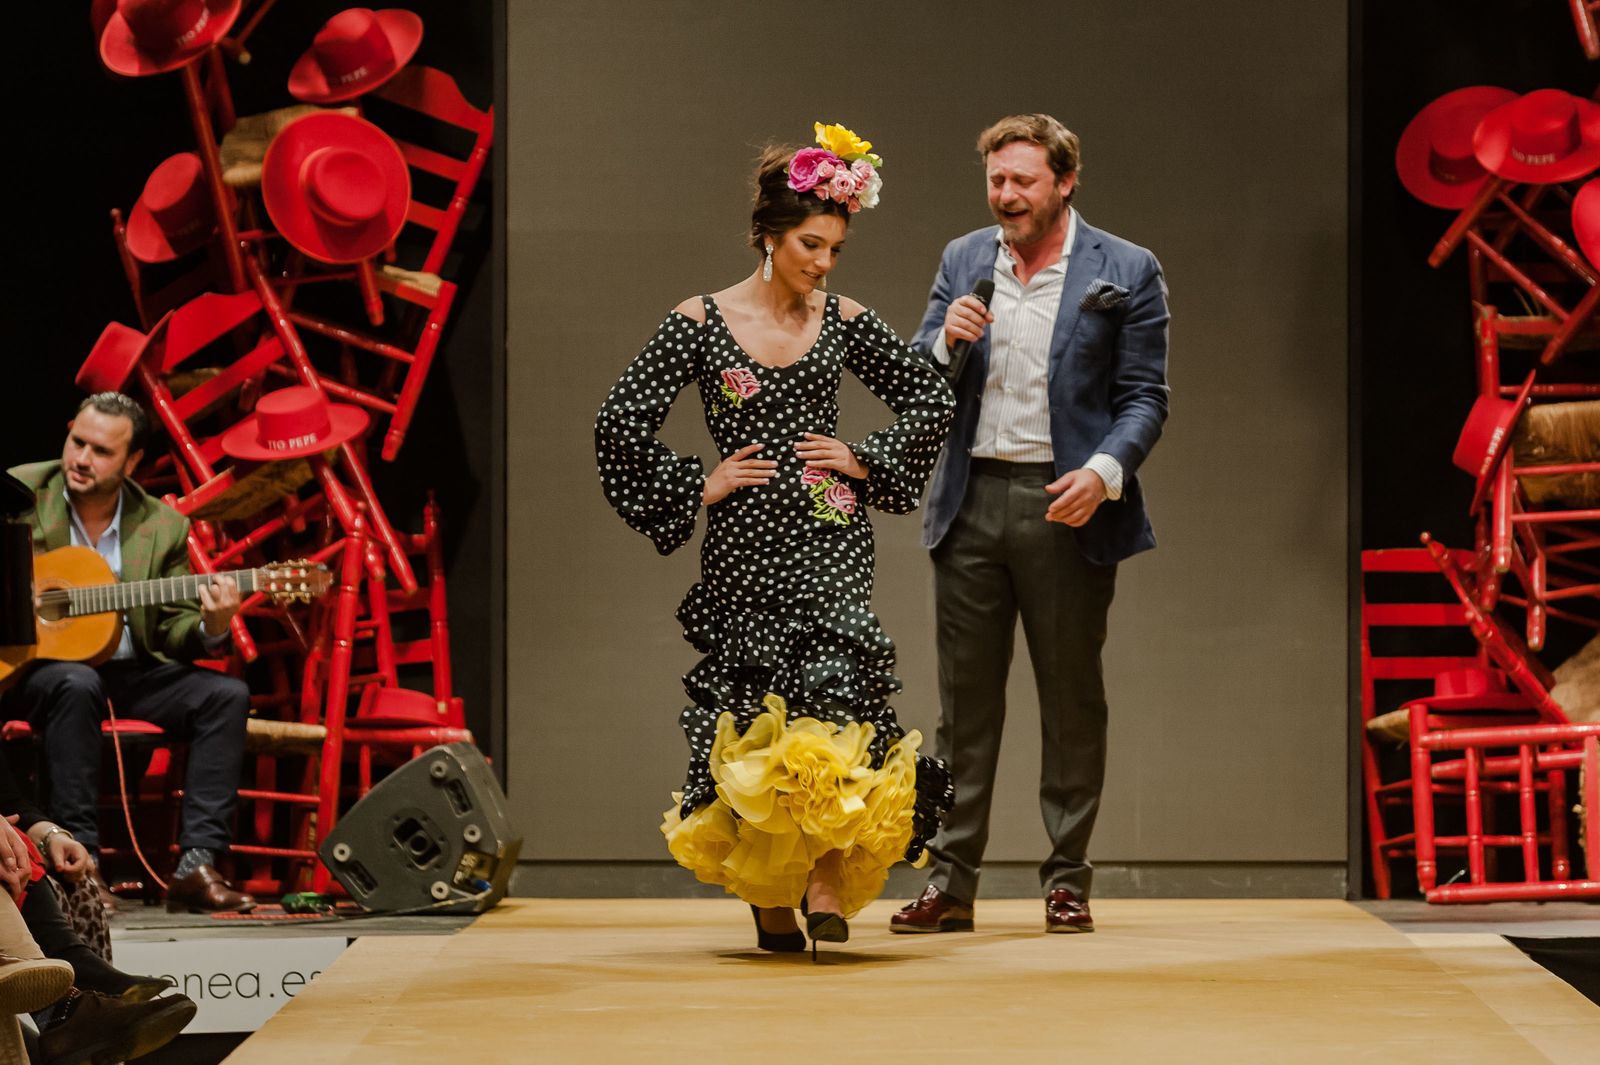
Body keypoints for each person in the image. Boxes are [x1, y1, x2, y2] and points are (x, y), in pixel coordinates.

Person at [595, 123, 955, 955]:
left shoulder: (844, 317)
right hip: (747, 543)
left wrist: (865, 458)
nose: (823, 261)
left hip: (831, 536)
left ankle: (825, 875)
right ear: (768, 233)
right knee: (756, 714)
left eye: (834, 246)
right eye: (808, 243)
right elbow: (621, 421)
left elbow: (930, 398)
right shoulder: (701, 319)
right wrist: (699, 482)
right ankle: (766, 895)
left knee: (834, 700)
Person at [892, 114, 1169, 935]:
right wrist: (945, 339)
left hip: (1065, 503)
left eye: (1023, 181)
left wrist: (1104, 473)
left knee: (1070, 699)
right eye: (996, 181)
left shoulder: (1127, 268)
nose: (1006, 196)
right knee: (961, 709)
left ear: (1064, 182)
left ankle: (1067, 879)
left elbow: (1146, 397)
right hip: (971, 501)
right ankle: (951, 882)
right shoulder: (964, 258)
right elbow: (916, 369)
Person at [3, 392, 256, 914]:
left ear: (133, 461)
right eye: (77, 442)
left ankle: (196, 866)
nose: (81, 459)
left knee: (225, 695)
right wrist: (9, 591)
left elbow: (174, 629)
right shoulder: (23, 489)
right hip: (36, 671)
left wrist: (211, 624)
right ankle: (82, 862)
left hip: (131, 672)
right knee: (76, 684)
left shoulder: (163, 525)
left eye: (101, 451)